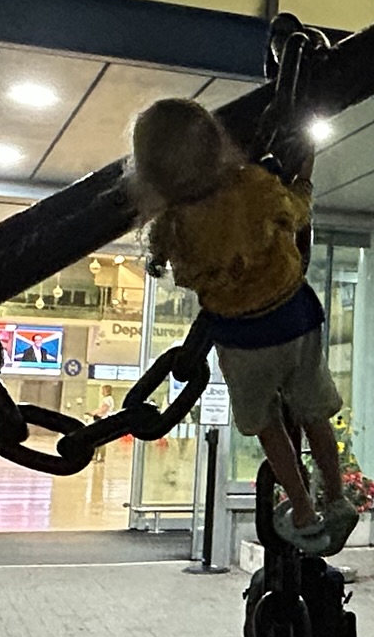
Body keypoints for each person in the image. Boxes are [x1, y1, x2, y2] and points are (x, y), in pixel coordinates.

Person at [130, 97, 354, 555]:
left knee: (268, 425)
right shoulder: (254, 186)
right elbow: (296, 212)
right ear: (219, 143)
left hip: (240, 339)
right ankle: (336, 496)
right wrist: (303, 179)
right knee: (313, 413)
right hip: (295, 317)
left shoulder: (171, 225)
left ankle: (303, 510)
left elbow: (184, 276)